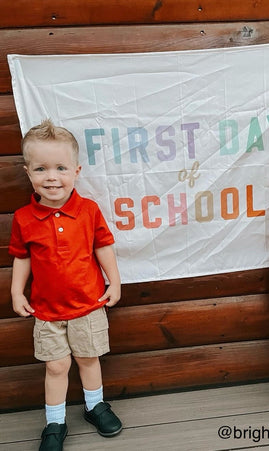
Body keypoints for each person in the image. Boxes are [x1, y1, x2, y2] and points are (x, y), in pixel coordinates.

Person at [9, 119, 122, 450]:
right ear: (29, 172)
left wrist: (114, 281)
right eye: (41, 169)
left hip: (87, 305)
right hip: (46, 311)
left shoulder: (88, 211)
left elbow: (102, 246)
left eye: (60, 168)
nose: (51, 177)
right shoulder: (23, 219)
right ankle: (55, 423)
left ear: (76, 170)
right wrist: (17, 290)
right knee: (56, 366)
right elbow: (21, 257)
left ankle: (95, 406)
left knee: (89, 359)